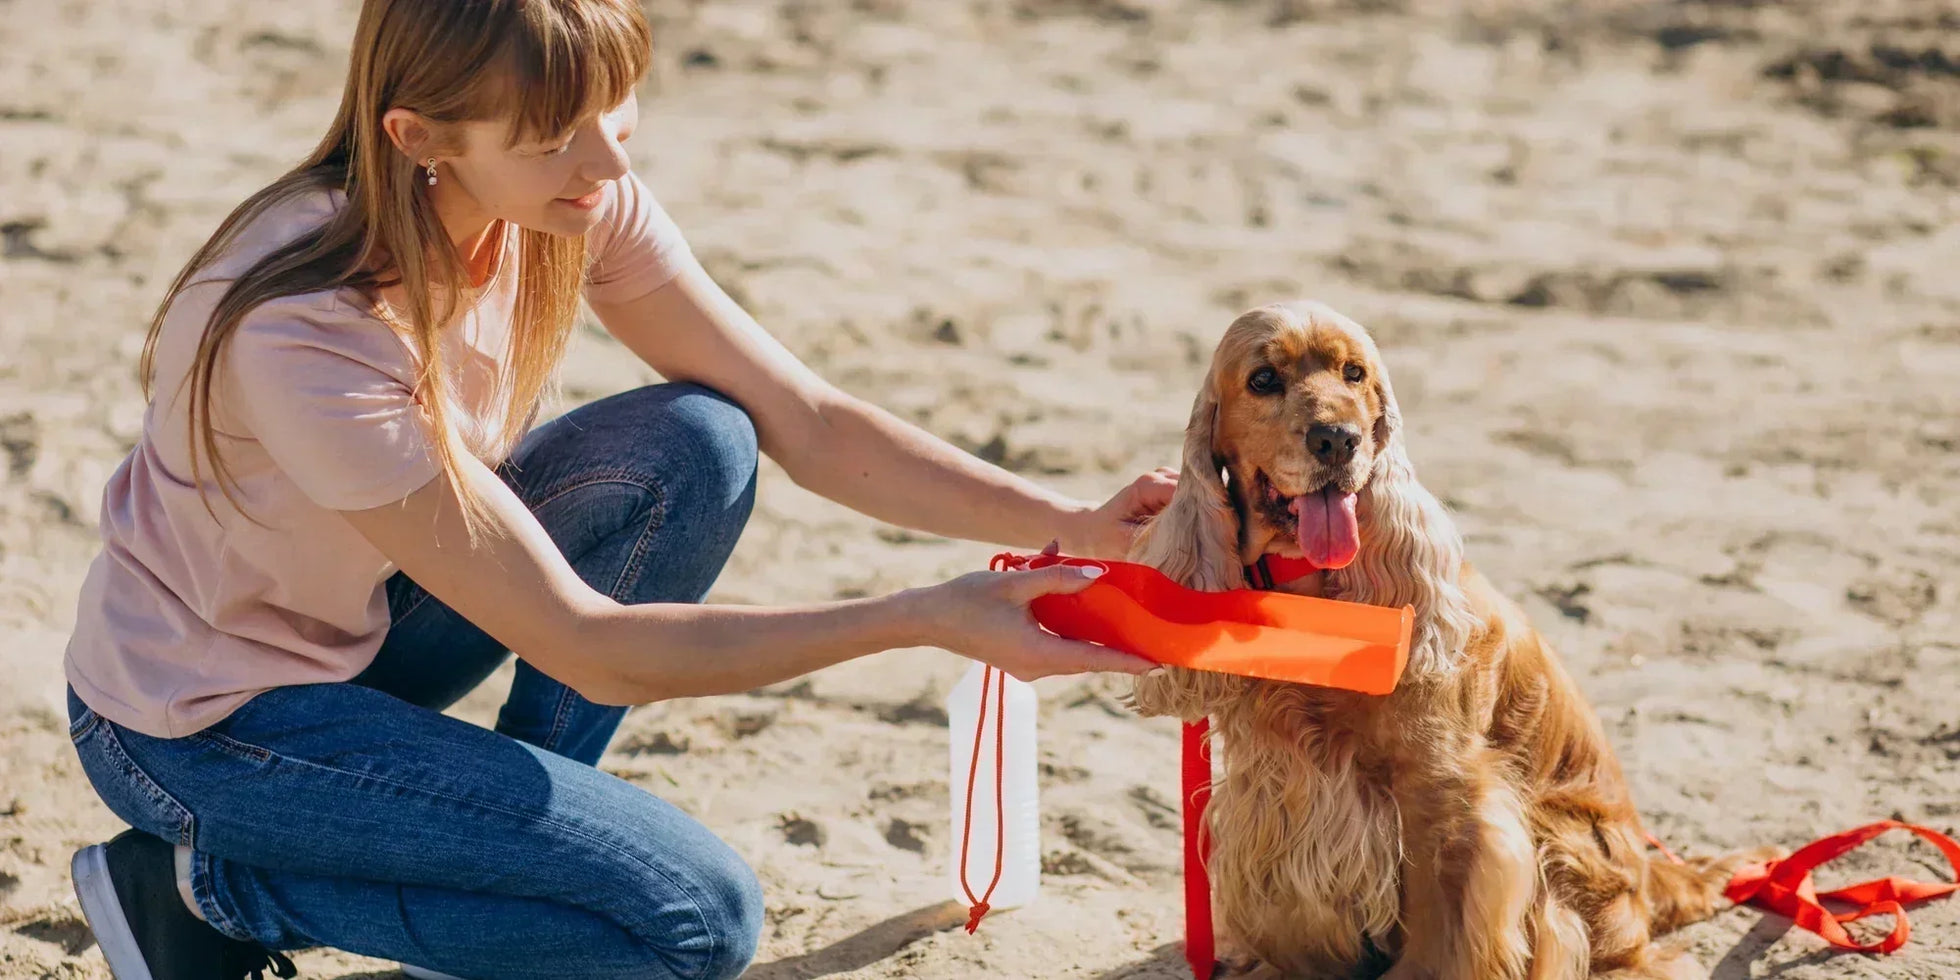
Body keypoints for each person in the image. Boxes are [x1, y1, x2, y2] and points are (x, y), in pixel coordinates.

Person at [58, 2, 1172, 978]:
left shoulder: (563, 200)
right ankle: (206, 891)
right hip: (205, 718)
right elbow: (586, 642)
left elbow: (811, 422)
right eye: (554, 138)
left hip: (369, 623)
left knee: (701, 438)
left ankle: (505, 871)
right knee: (692, 920)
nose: (607, 162)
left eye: (619, 114)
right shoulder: (308, 326)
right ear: (418, 138)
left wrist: (1068, 523)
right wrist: (922, 619)